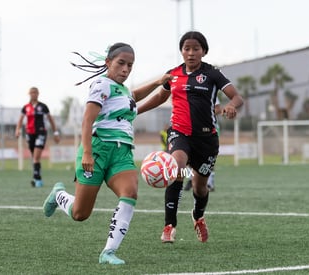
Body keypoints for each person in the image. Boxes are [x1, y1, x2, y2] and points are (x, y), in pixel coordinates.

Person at [42, 43, 171, 265]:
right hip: (97, 150)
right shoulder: (102, 84)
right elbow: (87, 120)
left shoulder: (122, 91)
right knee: (80, 214)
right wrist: (87, 154)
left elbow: (136, 95)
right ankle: (59, 195)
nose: (126, 69)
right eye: (121, 63)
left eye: (130, 65)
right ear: (108, 63)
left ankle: (108, 252)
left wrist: (160, 83)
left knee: (130, 192)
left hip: (122, 154)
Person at [137, 31, 243, 243]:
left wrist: (231, 106)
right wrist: (135, 111)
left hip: (206, 140)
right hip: (179, 133)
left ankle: (198, 215)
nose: (191, 53)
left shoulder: (212, 73)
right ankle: (169, 226)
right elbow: (159, 97)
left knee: (199, 186)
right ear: (181, 51)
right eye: (187, 49)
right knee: (176, 169)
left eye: (196, 49)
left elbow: (237, 96)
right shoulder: (173, 74)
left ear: (203, 51)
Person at [15, 87, 60, 187]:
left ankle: (37, 180)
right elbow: (20, 119)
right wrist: (17, 130)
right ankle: (37, 177)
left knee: (36, 157)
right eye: (31, 92)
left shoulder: (43, 107)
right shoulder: (26, 107)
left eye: (35, 92)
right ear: (29, 94)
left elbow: (51, 119)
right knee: (35, 157)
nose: (33, 94)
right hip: (29, 134)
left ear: (38, 94)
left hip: (41, 133)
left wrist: (55, 133)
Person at [184, 98, 222, 192]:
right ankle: (190, 179)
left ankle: (210, 182)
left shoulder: (209, 90)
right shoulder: (186, 91)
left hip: (209, 129)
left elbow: (218, 109)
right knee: (189, 156)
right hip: (192, 128)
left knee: (208, 157)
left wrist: (203, 115)